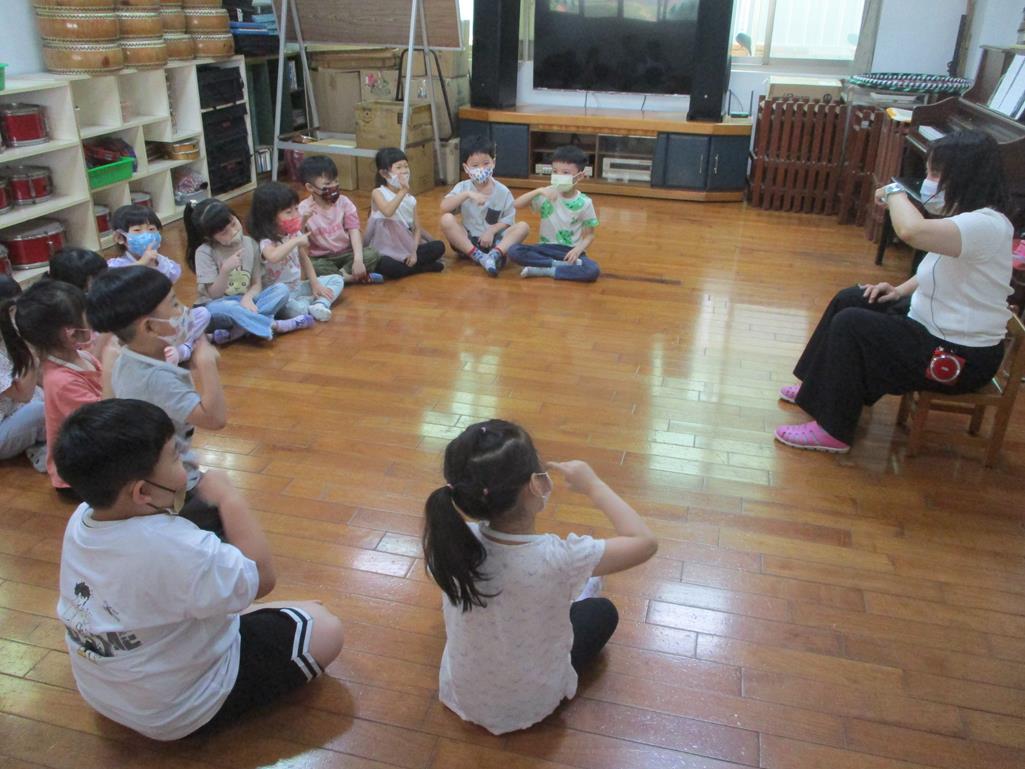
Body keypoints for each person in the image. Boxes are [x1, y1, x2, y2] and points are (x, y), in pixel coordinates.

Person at [54, 398, 343, 741]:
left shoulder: (81, 519)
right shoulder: (178, 547)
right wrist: (229, 498)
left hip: (103, 693)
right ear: (143, 491)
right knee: (324, 625)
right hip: (178, 711)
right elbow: (263, 578)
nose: (186, 462)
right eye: (175, 456)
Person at [775, 130, 1013, 453]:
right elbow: (938, 268)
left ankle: (833, 429)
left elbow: (910, 231)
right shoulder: (969, 218)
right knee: (851, 299)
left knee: (852, 325)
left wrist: (893, 191)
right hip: (934, 327)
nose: (928, 182)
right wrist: (898, 291)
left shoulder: (986, 225)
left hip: (960, 355)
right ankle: (816, 388)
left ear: (964, 176)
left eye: (935, 173)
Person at [422, 419, 658, 735]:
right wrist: (593, 484)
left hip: (462, 695)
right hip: (531, 703)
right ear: (536, 485)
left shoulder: (450, 542)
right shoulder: (561, 558)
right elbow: (645, 542)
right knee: (602, 611)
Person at [87, 266, 227, 534]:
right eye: (174, 304)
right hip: (169, 483)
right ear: (150, 327)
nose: (183, 310)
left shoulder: (128, 356)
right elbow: (215, 418)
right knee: (218, 522)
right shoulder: (154, 378)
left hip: (148, 468)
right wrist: (207, 365)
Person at [0, 280, 105, 498]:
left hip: (90, 444)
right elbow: (102, 422)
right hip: (79, 475)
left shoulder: (80, 357)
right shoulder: (60, 380)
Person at [184, 198, 312, 342]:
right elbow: (214, 295)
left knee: (281, 290)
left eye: (233, 224)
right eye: (224, 233)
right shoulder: (204, 252)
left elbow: (257, 284)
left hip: (246, 302)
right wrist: (225, 270)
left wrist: (248, 297)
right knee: (226, 308)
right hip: (220, 305)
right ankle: (274, 325)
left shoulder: (250, 243)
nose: (233, 231)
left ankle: (239, 330)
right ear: (210, 238)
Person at [108, 205, 212, 364]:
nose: (146, 235)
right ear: (120, 238)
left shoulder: (163, 263)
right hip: (141, 325)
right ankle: (182, 347)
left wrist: (155, 264)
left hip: (166, 320)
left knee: (203, 314)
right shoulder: (116, 266)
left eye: (151, 229)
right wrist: (142, 263)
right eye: (137, 231)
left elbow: (170, 288)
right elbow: (118, 284)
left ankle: (183, 349)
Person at [248, 182, 344, 322]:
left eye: (297, 209)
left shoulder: (292, 233)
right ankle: (309, 304)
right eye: (288, 212)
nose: (295, 215)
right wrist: (296, 241)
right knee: (295, 310)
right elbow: (273, 256)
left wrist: (315, 283)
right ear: (269, 216)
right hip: (280, 295)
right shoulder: (265, 241)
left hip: (297, 287)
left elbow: (304, 258)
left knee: (337, 279)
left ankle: (320, 304)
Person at [439, 134, 529, 277]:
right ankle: (479, 256)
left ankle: (494, 255)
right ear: (466, 168)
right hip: (468, 241)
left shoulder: (503, 191)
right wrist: (467, 194)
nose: (481, 168)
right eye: (475, 166)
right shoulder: (463, 187)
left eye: (486, 163)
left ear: (493, 162)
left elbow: (508, 220)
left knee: (523, 226)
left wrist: (491, 231)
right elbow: (444, 207)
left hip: (494, 241)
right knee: (446, 219)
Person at [509, 145, 601, 282]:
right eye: (555, 171)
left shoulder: (585, 202)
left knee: (592, 270)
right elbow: (516, 204)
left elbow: (589, 235)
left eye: (565, 173)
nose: (559, 176)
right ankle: (559, 266)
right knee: (514, 251)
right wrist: (539, 191)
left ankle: (545, 269)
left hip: (569, 250)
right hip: (544, 248)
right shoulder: (546, 193)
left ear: (580, 176)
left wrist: (578, 250)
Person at [297, 155, 383, 283]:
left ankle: (338, 278)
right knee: (310, 266)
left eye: (336, 181)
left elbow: (354, 231)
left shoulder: (344, 202)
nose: (333, 186)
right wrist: (303, 220)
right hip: (322, 258)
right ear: (310, 187)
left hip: (346, 253)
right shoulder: (303, 209)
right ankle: (351, 278)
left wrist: (358, 260)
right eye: (327, 184)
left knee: (372, 254)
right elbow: (297, 239)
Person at [364, 147, 446, 279]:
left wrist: (413, 252)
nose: (404, 171)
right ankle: (423, 268)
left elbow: (416, 228)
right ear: (384, 174)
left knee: (439, 247)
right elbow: (388, 211)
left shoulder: (410, 199)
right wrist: (403, 191)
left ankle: (410, 267)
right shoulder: (378, 193)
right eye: (398, 167)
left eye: (406, 166)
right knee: (387, 265)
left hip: (406, 247)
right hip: (385, 250)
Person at [0, 275, 46, 472]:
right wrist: (28, 347)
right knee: (42, 409)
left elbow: (39, 379)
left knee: (55, 394)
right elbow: (24, 394)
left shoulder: (6, 335)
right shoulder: (11, 334)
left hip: (13, 410)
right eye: (14, 309)